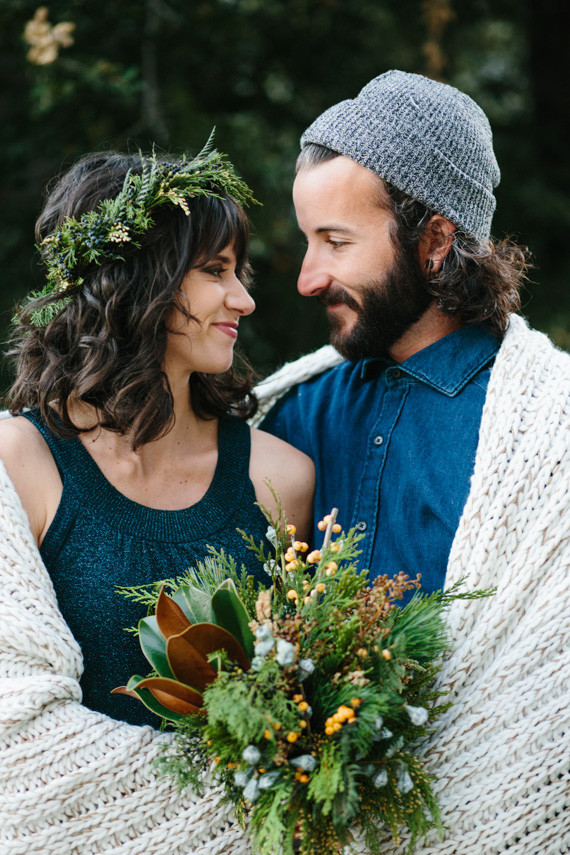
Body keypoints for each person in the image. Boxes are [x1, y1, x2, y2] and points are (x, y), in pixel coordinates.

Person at [256, 71, 570, 853]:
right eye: (307, 240)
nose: (306, 277)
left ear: (433, 242)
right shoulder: (292, 414)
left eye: (335, 242)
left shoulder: (546, 433)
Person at [0, 144, 312, 852]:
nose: (246, 299)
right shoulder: (19, 462)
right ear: (139, 280)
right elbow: (11, 725)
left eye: (242, 272)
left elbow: (301, 721)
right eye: (215, 271)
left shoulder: (281, 479)